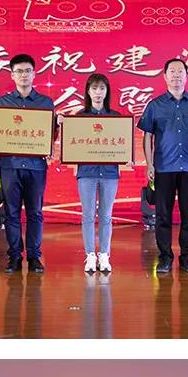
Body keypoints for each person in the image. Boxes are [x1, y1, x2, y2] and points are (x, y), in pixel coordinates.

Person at [137, 58, 188, 276]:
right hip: (163, 168)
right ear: (164, 76)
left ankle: (187, 258)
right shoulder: (155, 105)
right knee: (163, 216)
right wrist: (149, 164)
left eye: (180, 71)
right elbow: (147, 135)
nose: (176, 75)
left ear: (186, 76)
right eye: (172, 71)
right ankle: (165, 257)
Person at [0, 53, 55, 273]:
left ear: (34, 74)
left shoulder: (45, 103)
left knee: (35, 213)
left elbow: (51, 135)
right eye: (19, 71)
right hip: (10, 166)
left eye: (27, 71)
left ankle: (34, 257)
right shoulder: (3, 103)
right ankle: (14, 257)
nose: (24, 75)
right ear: (12, 75)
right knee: (11, 213)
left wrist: (58, 126)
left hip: (36, 167)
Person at [75, 72, 122, 273]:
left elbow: (122, 144)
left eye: (102, 88)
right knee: (88, 215)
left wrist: (127, 156)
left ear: (107, 91)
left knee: (106, 216)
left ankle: (104, 255)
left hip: (110, 174)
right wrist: (62, 124)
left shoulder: (116, 118)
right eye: (94, 88)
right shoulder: (79, 118)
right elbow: (72, 144)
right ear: (88, 91)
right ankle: (90, 256)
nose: (98, 92)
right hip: (86, 173)